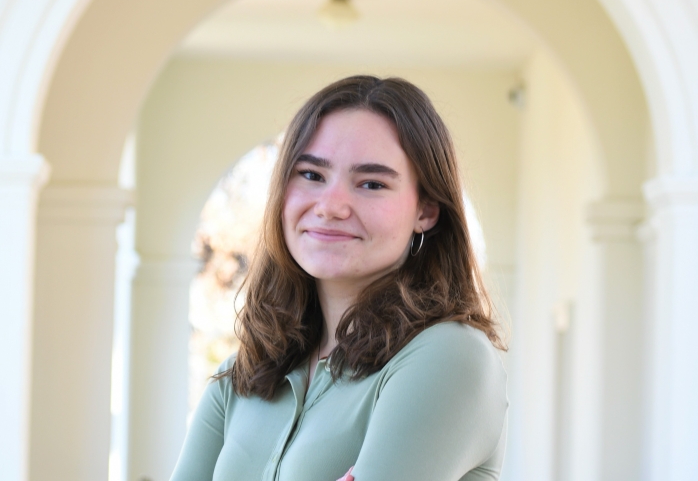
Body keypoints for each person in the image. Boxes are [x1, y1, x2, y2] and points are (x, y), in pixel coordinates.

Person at [170, 75, 508, 481]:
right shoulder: (243, 378)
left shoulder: (449, 356)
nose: (331, 206)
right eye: (311, 175)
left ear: (426, 211)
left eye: (371, 183)